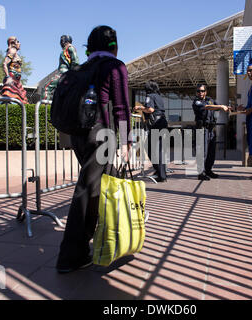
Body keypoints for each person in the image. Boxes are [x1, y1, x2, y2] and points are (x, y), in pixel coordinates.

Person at [56, 25, 132, 273]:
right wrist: (126, 142)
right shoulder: (115, 66)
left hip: (79, 134)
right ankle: (71, 255)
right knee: (88, 193)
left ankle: (88, 244)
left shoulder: (82, 68)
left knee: (93, 190)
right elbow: (121, 108)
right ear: (114, 46)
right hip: (102, 136)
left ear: (89, 48)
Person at [192, 84, 229, 181]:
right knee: (202, 152)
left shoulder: (210, 100)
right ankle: (201, 173)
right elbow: (207, 107)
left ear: (206, 92)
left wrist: (229, 107)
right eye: (198, 91)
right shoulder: (196, 102)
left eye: (202, 91)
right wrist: (221, 106)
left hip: (210, 130)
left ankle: (208, 170)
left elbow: (216, 106)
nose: (200, 93)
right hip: (201, 129)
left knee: (211, 152)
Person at [134, 80, 168, 183]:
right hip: (162, 122)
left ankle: (160, 173)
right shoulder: (159, 96)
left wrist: (139, 107)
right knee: (159, 150)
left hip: (156, 123)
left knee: (148, 147)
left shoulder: (150, 96)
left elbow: (150, 109)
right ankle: (162, 173)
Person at [41, 35, 79, 100]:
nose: (61, 42)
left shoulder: (70, 47)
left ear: (66, 40)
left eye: (62, 40)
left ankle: (44, 108)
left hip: (64, 73)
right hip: (63, 73)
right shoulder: (65, 49)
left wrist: (72, 75)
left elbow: (75, 62)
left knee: (46, 88)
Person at [1, 36, 28, 104]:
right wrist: (8, 77)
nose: (20, 43)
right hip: (12, 78)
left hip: (17, 80)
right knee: (11, 96)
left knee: (21, 98)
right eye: (18, 42)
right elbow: (5, 64)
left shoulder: (16, 53)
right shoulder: (12, 50)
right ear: (13, 42)